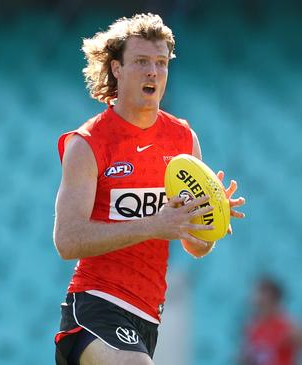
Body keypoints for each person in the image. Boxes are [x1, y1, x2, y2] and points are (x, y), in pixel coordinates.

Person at [52, 13, 246, 365]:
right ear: (116, 69)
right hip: (94, 308)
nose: (153, 72)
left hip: (148, 317)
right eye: (141, 62)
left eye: (161, 63)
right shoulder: (88, 143)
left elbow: (197, 246)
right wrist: (152, 225)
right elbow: (66, 240)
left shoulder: (183, 139)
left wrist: (210, 218)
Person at [240, 277, 302, 365]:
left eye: (257, 294)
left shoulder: (289, 326)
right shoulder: (253, 327)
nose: (253, 299)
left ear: (270, 297)